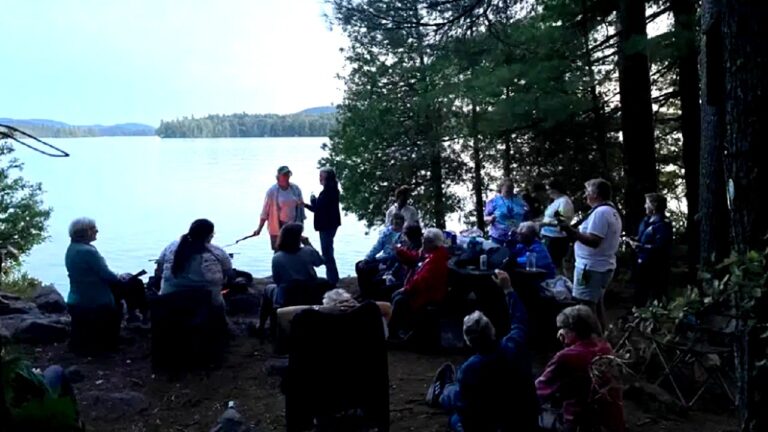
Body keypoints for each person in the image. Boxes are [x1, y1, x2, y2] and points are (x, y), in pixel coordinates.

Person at [426, 270, 539, 431]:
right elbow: (519, 319)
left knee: (455, 409)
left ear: (468, 341)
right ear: (492, 329)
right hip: (524, 421)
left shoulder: (471, 368)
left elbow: (464, 408)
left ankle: (444, 391)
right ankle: (447, 389)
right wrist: (508, 290)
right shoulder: (514, 345)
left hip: (494, 425)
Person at [536, 305, 625, 432]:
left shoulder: (565, 357)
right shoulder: (605, 347)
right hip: (610, 422)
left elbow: (539, 390)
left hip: (580, 423)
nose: (559, 332)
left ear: (572, 331)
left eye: (562, 328)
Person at [65, 217, 145, 353]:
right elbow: (107, 275)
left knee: (128, 282)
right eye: (93, 228)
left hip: (78, 294)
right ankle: (137, 318)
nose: (97, 230)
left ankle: (134, 317)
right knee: (135, 283)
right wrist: (121, 277)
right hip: (95, 297)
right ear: (85, 232)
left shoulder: (73, 248)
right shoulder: (88, 251)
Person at [558, 179, 621, 330]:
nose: (585, 195)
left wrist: (570, 231)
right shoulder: (610, 211)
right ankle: (604, 337)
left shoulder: (600, 213)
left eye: (587, 191)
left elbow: (594, 241)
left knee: (585, 308)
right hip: (602, 266)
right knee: (597, 304)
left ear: (596, 194)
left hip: (591, 268)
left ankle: (593, 343)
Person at [388, 228, 450, 340]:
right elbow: (414, 257)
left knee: (399, 300)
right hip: (421, 289)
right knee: (396, 296)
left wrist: (405, 289)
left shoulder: (436, 259)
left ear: (431, 242)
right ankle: (401, 329)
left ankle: (394, 335)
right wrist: (399, 250)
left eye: (424, 240)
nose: (422, 242)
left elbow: (421, 280)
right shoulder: (429, 252)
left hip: (429, 294)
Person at [157, 218, 233, 308]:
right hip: (208, 302)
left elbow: (159, 269)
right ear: (210, 235)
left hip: (168, 298)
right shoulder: (218, 251)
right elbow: (229, 274)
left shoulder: (171, 247)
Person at [627, 193, 673, 307]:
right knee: (640, 293)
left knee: (655, 294)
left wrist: (639, 246)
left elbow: (661, 247)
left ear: (654, 205)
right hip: (642, 263)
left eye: (647, 203)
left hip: (656, 266)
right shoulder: (646, 220)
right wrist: (634, 239)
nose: (644, 206)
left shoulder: (663, 224)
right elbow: (644, 237)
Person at [303, 167, 342, 286]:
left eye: (321, 176)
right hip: (330, 225)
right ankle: (332, 278)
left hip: (327, 226)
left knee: (327, 253)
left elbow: (318, 209)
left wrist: (306, 204)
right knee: (328, 251)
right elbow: (319, 208)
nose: (319, 178)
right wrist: (311, 203)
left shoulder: (328, 192)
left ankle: (333, 280)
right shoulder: (332, 190)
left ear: (327, 178)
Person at [253, 165, 306, 251]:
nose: (287, 177)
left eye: (288, 174)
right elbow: (265, 212)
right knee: (279, 253)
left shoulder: (295, 189)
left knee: (294, 252)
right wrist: (259, 228)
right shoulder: (272, 191)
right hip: (277, 226)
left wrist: (300, 227)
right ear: (278, 177)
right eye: (284, 175)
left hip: (293, 226)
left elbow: (301, 209)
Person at [356, 213, 406, 299]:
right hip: (382, 258)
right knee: (359, 265)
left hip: (392, 261)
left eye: (399, 220)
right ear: (391, 221)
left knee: (370, 269)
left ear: (402, 223)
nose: (396, 222)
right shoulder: (387, 232)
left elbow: (399, 254)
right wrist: (367, 259)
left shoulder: (403, 236)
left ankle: (369, 295)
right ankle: (364, 293)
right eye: (395, 219)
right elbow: (377, 247)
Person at [540, 179, 575, 272]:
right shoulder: (555, 201)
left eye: (548, 189)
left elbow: (563, 222)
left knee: (555, 265)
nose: (547, 192)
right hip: (548, 236)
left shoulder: (564, 202)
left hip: (556, 239)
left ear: (555, 189)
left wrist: (545, 224)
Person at [485, 178, 530, 246]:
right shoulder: (494, 201)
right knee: (499, 255)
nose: (510, 191)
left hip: (517, 235)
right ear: (501, 188)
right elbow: (485, 217)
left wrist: (527, 210)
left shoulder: (519, 200)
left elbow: (526, 213)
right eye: (507, 189)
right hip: (498, 236)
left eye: (511, 188)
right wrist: (490, 218)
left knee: (516, 255)